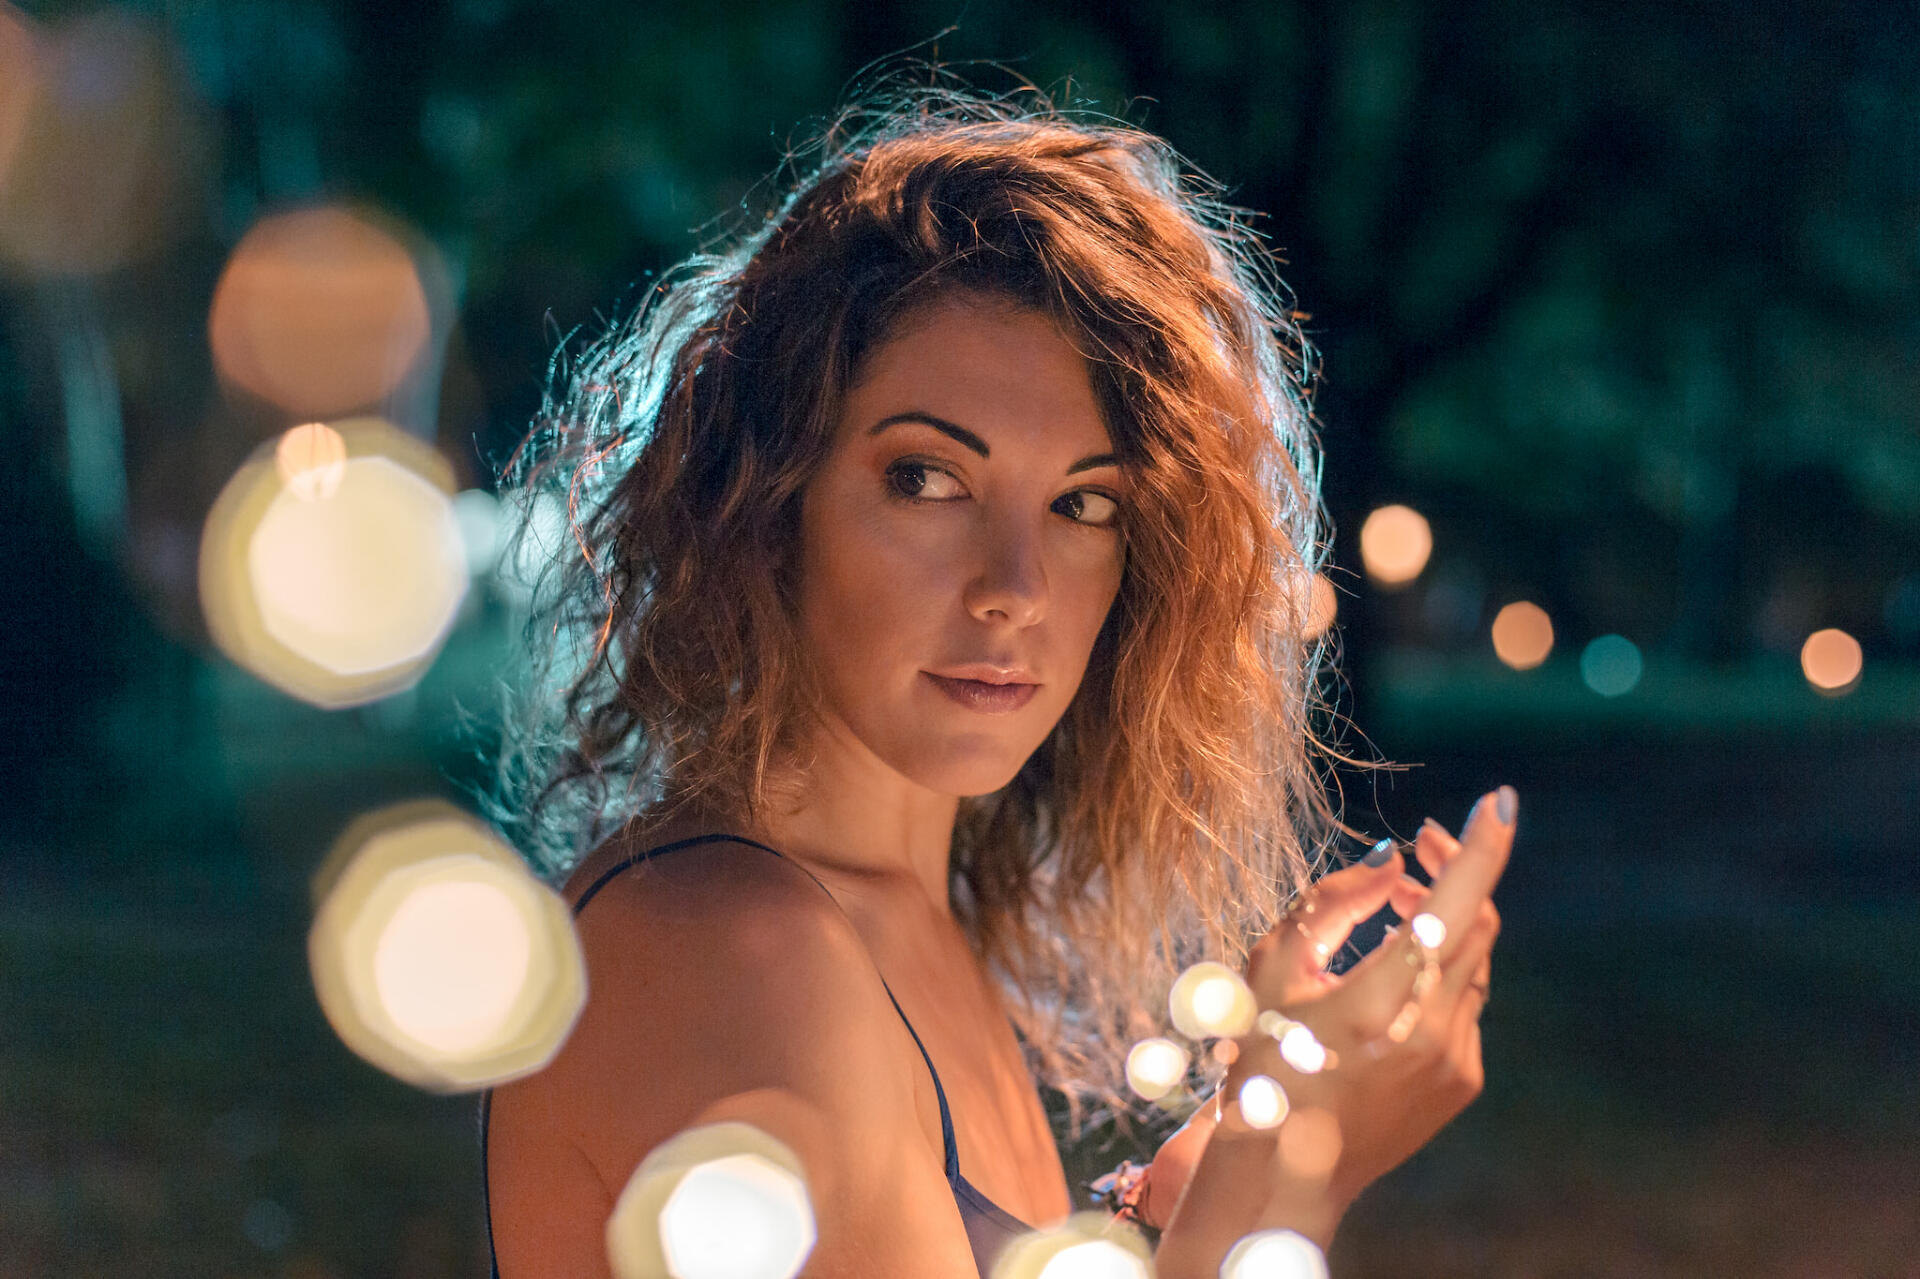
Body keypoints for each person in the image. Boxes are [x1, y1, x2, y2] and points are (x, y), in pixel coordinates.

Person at [481, 72, 1514, 1278]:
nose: (1014, 585)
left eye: (1083, 503)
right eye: (927, 478)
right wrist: (1289, 1171)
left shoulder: (897, 914)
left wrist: (1197, 1169)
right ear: (765, 503)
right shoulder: (728, 945)